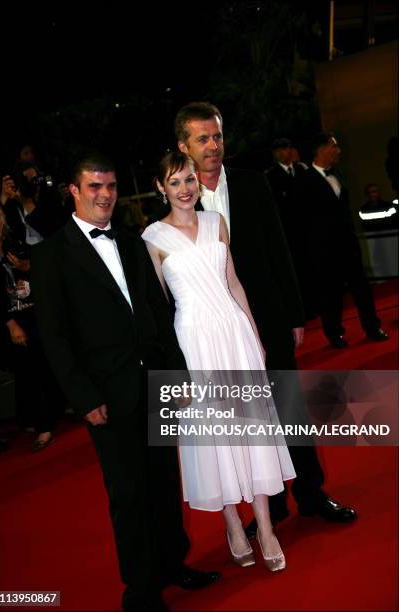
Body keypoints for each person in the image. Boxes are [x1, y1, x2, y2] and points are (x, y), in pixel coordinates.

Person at [30, 154, 219, 612]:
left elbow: (159, 313)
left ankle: (174, 564)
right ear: (74, 191)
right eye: (94, 186)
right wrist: (83, 397)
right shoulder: (51, 255)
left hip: (153, 382)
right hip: (105, 396)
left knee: (161, 483)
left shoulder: (133, 243)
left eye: (111, 186)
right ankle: (141, 591)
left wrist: (175, 377)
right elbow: (53, 338)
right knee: (128, 494)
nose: (105, 195)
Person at [173, 101, 357, 530]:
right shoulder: (178, 200)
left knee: (289, 409)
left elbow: (279, 250)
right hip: (217, 332)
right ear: (183, 144)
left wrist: (294, 315)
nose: (213, 145)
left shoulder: (254, 184)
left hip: (268, 321)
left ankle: (311, 493)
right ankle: (270, 508)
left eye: (217, 135)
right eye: (203, 138)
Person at [142, 151, 295, 571]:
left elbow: (233, 281)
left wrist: (254, 333)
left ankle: (264, 526)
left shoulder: (216, 222)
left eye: (189, 179)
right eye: (174, 182)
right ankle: (231, 522)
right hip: (193, 342)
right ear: (160, 188)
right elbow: (157, 308)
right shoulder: (152, 238)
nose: (185, 189)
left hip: (234, 334)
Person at [294, 133, 389, 348]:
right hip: (323, 250)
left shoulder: (340, 175)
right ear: (322, 149)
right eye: (334, 146)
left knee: (362, 289)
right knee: (330, 294)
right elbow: (302, 220)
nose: (338, 150)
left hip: (348, 246)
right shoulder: (304, 181)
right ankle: (334, 333)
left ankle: (373, 327)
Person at [0, 201, 55, 451]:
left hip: (30, 313)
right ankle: (41, 425)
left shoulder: (13, 246)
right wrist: (10, 325)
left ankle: (40, 420)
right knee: (28, 370)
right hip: (4, 323)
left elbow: (34, 271)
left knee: (37, 366)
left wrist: (26, 270)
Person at [264, 138, 316, 318]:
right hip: (289, 234)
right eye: (279, 150)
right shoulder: (270, 177)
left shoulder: (302, 170)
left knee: (313, 268)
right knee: (297, 272)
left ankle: (317, 304)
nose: (283, 153)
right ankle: (304, 309)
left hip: (309, 230)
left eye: (286, 148)